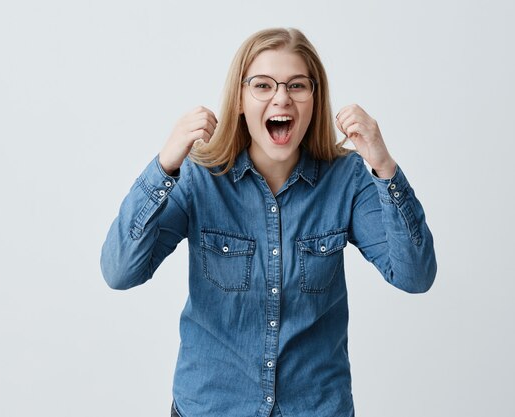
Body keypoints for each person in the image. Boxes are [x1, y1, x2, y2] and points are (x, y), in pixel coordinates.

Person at [100, 27, 436, 417]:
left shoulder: (348, 178)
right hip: (210, 407)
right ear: (240, 99)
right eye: (263, 85)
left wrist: (384, 165)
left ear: (315, 99)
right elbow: (120, 271)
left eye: (297, 86)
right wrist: (165, 165)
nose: (282, 98)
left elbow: (415, 276)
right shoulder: (198, 177)